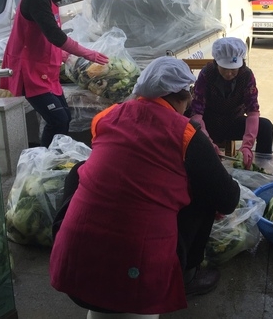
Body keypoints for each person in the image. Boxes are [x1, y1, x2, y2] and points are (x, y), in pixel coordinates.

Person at [49, 56, 240, 318]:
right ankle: (187, 275)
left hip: (72, 271)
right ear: (182, 97)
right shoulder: (186, 133)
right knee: (205, 194)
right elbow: (228, 199)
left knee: (80, 170)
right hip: (140, 281)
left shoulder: (107, 117)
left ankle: (68, 237)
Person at [0, 0, 108, 147]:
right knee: (58, 119)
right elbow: (55, 36)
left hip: (45, 73)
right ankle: (43, 162)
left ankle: (52, 158)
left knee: (64, 117)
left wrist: (65, 56)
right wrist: (87, 54)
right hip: (30, 73)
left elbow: (46, 38)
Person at [189, 37, 273, 168]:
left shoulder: (246, 75)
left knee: (266, 127)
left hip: (232, 121)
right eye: (224, 68)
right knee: (187, 122)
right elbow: (197, 113)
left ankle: (261, 167)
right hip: (209, 122)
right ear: (216, 63)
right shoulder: (207, 74)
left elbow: (253, 111)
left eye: (233, 69)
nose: (229, 74)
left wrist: (247, 145)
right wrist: (207, 141)